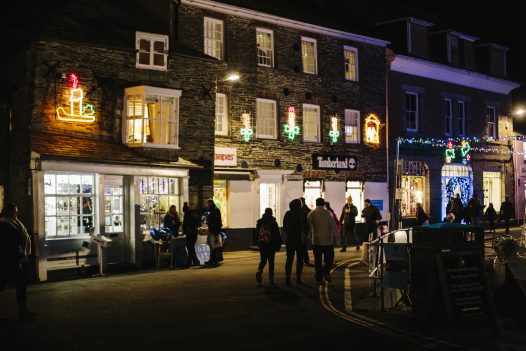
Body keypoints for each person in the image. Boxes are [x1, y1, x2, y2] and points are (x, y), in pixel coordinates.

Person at [0, 203, 37, 320]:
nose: (17, 213)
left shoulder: (13, 222)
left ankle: (23, 309)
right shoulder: (4, 224)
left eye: (17, 211)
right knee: (17, 281)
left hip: (14, 257)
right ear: (8, 212)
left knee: (21, 281)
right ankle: (22, 310)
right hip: (9, 259)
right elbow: (8, 244)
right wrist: (20, 256)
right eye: (15, 211)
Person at [307, 198, 339, 284]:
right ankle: (326, 271)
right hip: (328, 241)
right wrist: (337, 239)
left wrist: (309, 236)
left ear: (316, 204)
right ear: (324, 204)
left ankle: (319, 277)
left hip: (316, 241)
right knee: (329, 259)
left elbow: (308, 227)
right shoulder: (328, 213)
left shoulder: (311, 214)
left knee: (318, 260)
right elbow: (334, 227)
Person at [283, 199, 308, 286]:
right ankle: (298, 278)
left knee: (289, 260)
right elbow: (306, 227)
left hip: (290, 240)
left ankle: (288, 279)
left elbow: (285, 227)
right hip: (299, 241)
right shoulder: (302, 214)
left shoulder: (288, 214)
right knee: (299, 260)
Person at [255, 208, 282, 287]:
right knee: (271, 262)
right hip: (271, 245)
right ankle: (271, 280)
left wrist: (258, 243)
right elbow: (277, 235)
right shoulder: (273, 222)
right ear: (271, 213)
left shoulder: (260, 222)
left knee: (263, 260)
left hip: (262, 244)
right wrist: (278, 244)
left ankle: (259, 272)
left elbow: (257, 233)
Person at [204, 199, 223, 266]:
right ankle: (213, 259)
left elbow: (215, 221)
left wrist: (212, 230)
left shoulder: (215, 210)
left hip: (214, 231)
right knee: (213, 245)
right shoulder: (212, 210)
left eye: (207, 203)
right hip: (213, 230)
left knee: (214, 245)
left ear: (210, 203)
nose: (206, 205)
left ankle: (214, 260)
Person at [182, 202, 200, 266]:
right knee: (191, 247)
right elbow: (198, 224)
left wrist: (183, 231)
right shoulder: (194, 215)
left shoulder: (187, 216)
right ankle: (192, 261)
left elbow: (184, 225)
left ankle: (193, 261)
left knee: (190, 247)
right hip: (194, 233)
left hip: (189, 233)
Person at [299, 197, 312, 265]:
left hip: (303, 231)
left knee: (302, 246)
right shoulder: (308, 210)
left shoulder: (303, 211)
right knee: (303, 246)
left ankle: (304, 260)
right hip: (305, 230)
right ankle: (305, 260)